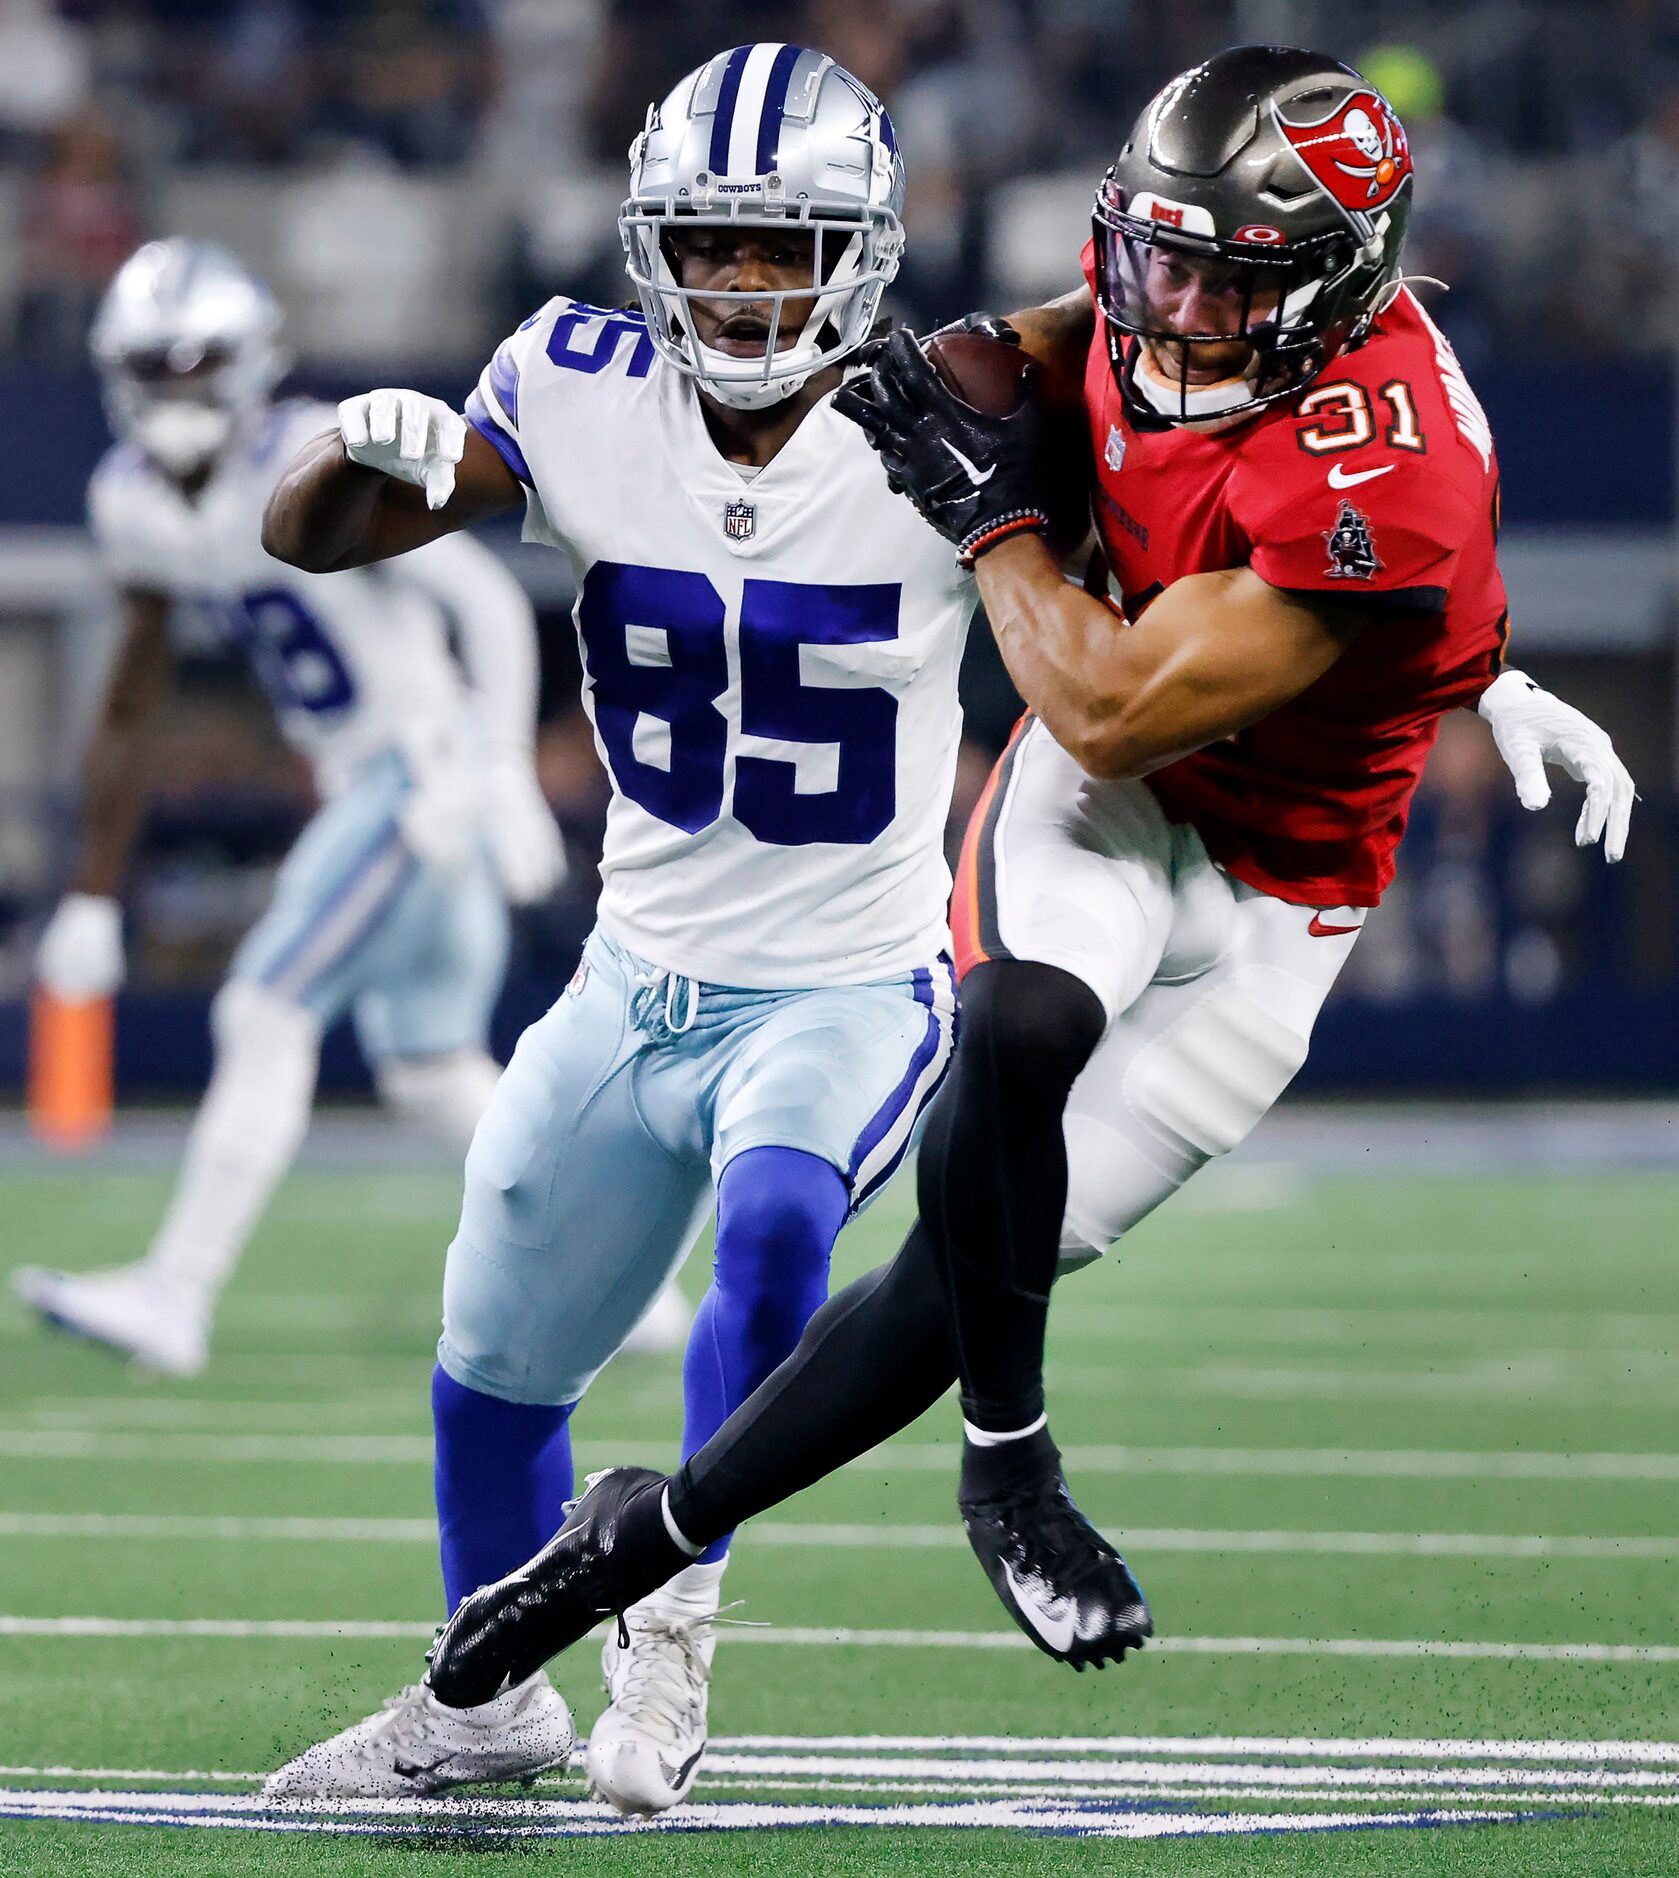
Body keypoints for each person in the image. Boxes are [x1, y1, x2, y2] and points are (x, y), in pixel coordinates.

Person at [411, 45, 1637, 1707]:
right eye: (1147, 249)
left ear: (1330, 289)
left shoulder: (1385, 470)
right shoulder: (1154, 293)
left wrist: (988, 521)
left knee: (968, 1262)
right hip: (1104, 814)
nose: (1162, 300)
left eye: (1216, 275)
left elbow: (1108, 696)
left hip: (1274, 885)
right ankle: (1013, 1465)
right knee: (1005, 1034)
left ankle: (641, 1538)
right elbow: (1041, 372)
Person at [259, 45, 972, 1812]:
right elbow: (304, 536)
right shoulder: (573, 385)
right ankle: (486, 1701)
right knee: (492, 1358)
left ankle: (670, 1646)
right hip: (628, 975)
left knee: (781, 1214)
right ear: (653, 245)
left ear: (860, 253)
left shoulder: (951, 424)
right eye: (708, 245)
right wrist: (353, 442)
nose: (738, 285)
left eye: (777, 246)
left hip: (843, 975)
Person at [15, 238, 565, 1381]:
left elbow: (486, 603)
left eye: (194, 365)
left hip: (417, 776)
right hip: (383, 784)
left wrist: (497, 767)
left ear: (249, 361)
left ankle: (175, 1293)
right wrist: (90, 892)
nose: (174, 394)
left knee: (264, 1010)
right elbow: (130, 697)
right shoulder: (131, 499)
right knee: (429, 1071)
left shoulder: (315, 452)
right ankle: (632, 1283)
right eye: (150, 370)